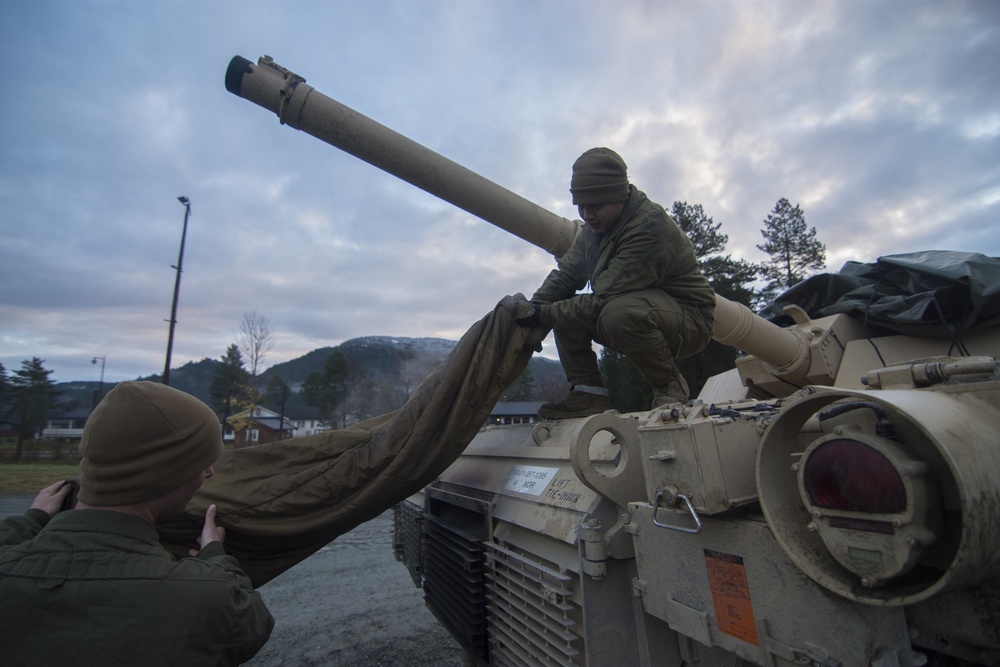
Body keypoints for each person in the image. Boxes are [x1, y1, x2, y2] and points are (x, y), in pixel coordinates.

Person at [0, 381, 274, 666]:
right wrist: (216, 556)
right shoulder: (208, 597)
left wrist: (32, 519)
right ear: (166, 473)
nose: (209, 472)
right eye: (200, 462)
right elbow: (251, 624)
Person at [518, 147, 715, 419]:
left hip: (689, 319)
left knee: (615, 313)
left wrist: (543, 316)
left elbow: (604, 301)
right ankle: (589, 394)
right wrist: (531, 309)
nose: (587, 214)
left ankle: (669, 387)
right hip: (640, 307)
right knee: (566, 311)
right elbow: (567, 275)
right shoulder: (595, 231)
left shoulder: (648, 227)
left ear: (618, 196)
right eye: (581, 205)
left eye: (595, 205)